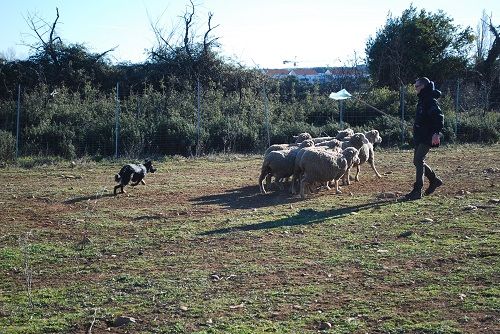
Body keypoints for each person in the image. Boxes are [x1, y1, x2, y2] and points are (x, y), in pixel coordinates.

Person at [405, 77, 444, 200]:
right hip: (421, 135)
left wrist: (436, 133)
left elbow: (438, 117)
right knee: (417, 161)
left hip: (428, 136)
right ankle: (434, 180)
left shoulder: (429, 100)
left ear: (423, 87)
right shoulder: (423, 99)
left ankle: (417, 191)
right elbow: (424, 118)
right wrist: (416, 126)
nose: (415, 88)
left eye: (416, 86)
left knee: (418, 160)